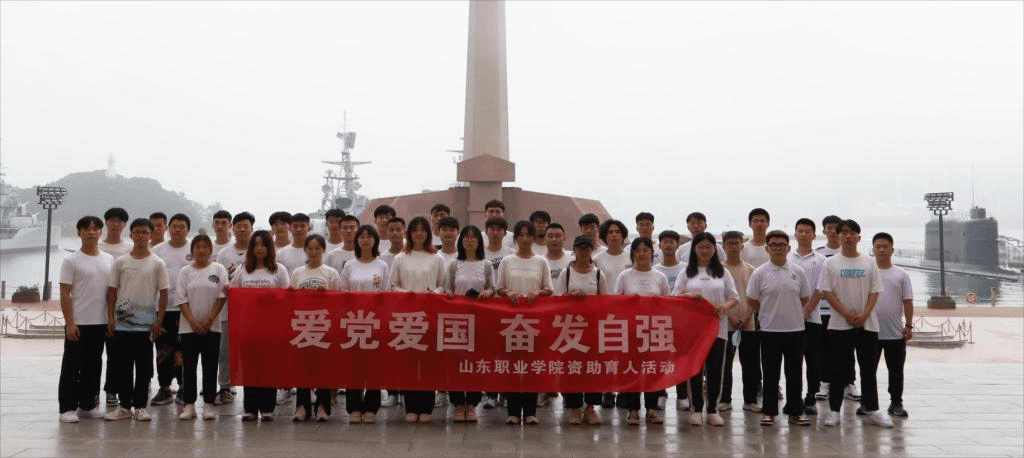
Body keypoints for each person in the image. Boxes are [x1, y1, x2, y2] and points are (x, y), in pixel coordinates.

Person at [820, 219, 892, 428]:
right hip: (839, 325)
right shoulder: (830, 263)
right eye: (844, 232)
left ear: (859, 237)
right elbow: (827, 292)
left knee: (868, 370)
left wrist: (864, 314)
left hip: (867, 325)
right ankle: (834, 411)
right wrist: (846, 313)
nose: (848, 236)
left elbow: (875, 291)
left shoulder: (869, 262)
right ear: (838, 236)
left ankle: (872, 409)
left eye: (852, 233)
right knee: (838, 370)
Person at [104, 218, 170, 422]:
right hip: (122, 324)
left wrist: (159, 321)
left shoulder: (157, 263)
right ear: (131, 234)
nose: (140, 235)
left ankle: (140, 406)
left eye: (145, 232)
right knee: (123, 367)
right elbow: (112, 291)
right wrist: (110, 317)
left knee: (144, 368)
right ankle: (124, 406)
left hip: (145, 325)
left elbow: (164, 294)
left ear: (151, 235)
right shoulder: (121, 262)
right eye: (137, 232)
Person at [672, 232, 737, 427]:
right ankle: (696, 409)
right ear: (694, 249)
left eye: (708, 247)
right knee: (694, 369)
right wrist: (689, 295)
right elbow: (675, 296)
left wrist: (725, 306)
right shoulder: (686, 272)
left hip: (718, 329)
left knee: (716, 370)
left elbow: (734, 297)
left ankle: (713, 410)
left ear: (715, 249)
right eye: (700, 247)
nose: (704, 250)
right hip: (693, 330)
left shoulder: (723, 272)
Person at [747, 230, 811, 427]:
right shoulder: (759, 273)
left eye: (781, 245)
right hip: (769, 330)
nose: (777, 248)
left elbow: (804, 297)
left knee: (795, 373)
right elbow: (752, 299)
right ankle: (769, 412)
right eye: (773, 245)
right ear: (767, 249)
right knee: (770, 374)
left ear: (788, 248)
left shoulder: (798, 271)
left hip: (795, 329)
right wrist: (768, 312)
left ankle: (795, 411)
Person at [389, 216, 447, 423]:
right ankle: (411, 407)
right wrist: (408, 294)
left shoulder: (437, 258)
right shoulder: (400, 258)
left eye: (423, 230)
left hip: (430, 315)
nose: (419, 233)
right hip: (407, 317)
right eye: (415, 230)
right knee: (409, 363)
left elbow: (443, 284)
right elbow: (393, 285)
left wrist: (434, 293)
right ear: (410, 233)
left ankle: (426, 407)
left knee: (429, 363)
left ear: (428, 234)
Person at [57, 216, 115, 422]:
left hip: (99, 322)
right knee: (72, 366)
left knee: (93, 366)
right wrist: (70, 323)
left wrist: (110, 318)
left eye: (96, 229)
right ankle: (67, 408)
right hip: (79, 322)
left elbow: (111, 293)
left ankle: (87, 405)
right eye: (87, 229)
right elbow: (64, 293)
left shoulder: (108, 259)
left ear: (100, 232)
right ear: (79, 232)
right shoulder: (71, 260)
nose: (92, 232)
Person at [495, 221, 553, 425]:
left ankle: (530, 411)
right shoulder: (507, 261)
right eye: (521, 235)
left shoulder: (541, 261)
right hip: (511, 322)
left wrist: (538, 292)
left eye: (529, 234)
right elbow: (499, 287)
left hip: (534, 322)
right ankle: (512, 411)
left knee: (531, 368)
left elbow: (549, 288)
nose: (525, 239)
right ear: (516, 238)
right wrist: (508, 292)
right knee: (512, 367)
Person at [229, 230, 290, 421]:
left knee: (268, 367)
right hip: (248, 327)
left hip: (271, 327)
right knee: (250, 367)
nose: (259, 248)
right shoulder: (243, 270)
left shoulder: (278, 270)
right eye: (255, 245)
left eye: (263, 244)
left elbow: (286, 297)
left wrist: (270, 298)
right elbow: (233, 294)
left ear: (269, 247)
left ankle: (267, 407)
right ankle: (249, 407)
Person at [613, 237, 670, 425]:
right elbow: (615, 301)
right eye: (637, 251)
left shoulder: (660, 276)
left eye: (645, 250)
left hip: (654, 330)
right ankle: (633, 409)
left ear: (652, 253)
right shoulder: (625, 276)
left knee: (652, 369)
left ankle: (652, 409)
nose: (642, 254)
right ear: (632, 254)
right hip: (630, 330)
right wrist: (630, 302)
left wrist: (657, 302)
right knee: (632, 369)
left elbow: (669, 302)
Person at [338, 225, 391, 424]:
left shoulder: (382, 265)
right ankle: (353, 407)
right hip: (353, 321)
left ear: (375, 240)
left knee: (373, 366)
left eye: (369, 237)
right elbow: (342, 293)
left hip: (375, 322)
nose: (366, 240)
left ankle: (371, 406)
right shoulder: (350, 265)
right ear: (357, 240)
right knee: (354, 367)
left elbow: (387, 294)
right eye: (362, 237)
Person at [554, 235, 607, 425]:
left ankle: (590, 408)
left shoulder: (598, 274)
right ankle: (574, 407)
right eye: (580, 248)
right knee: (571, 368)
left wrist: (589, 301)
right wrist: (571, 296)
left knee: (593, 369)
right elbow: (557, 300)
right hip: (570, 329)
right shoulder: (566, 273)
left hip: (592, 328)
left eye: (587, 248)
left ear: (592, 251)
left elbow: (606, 302)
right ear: (574, 250)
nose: (584, 252)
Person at [174, 234, 228, 421]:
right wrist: (193, 322)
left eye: (205, 247)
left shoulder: (219, 269)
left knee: (210, 366)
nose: (201, 250)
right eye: (197, 247)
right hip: (188, 328)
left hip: (212, 328)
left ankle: (209, 404)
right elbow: (181, 298)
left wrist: (209, 320)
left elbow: (222, 296)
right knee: (188, 367)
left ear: (211, 250)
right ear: (192, 251)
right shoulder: (185, 271)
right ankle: (189, 404)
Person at [290, 234, 343, 422]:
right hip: (303, 325)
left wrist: (326, 294)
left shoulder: (331, 273)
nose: (313, 252)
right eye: (310, 249)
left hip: (324, 325)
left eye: (317, 248)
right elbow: (291, 299)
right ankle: (302, 406)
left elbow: (339, 300)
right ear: (305, 251)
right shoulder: (297, 273)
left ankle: (322, 406)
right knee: (302, 367)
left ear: (323, 250)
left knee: (323, 367)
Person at [444, 224, 493, 422]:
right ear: (461, 240)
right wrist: (449, 293)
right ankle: (458, 403)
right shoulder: (454, 265)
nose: (470, 240)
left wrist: (488, 292)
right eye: (466, 237)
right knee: (455, 362)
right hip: (457, 319)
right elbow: (447, 288)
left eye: (474, 237)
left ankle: (472, 404)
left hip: (480, 319)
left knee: (475, 363)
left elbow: (493, 288)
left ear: (479, 241)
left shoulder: (486, 265)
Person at [814, 215, 859, 402]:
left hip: (846, 312)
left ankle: (850, 383)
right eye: (829, 228)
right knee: (824, 349)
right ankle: (824, 383)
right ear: (824, 231)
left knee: (847, 350)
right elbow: (818, 282)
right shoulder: (818, 254)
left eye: (835, 228)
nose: (832, 231)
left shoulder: (849, 254)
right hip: (824, 310)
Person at [150, 213, 191, 406]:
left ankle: (184, 387)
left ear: (188, 230)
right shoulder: (158, 250)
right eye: (174, 226)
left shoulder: (194, 248)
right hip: (163, 309)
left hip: (187, 309)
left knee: (184, 350)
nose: (178, 230)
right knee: (163, 351)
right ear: (168, 228)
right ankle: (164, 388)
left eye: (182, 227)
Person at [871, 232, 914, 418]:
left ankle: (896, 403)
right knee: (868, 371)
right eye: (878, 246)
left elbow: (908, 301)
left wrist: (909, 326)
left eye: (885, 246)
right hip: (870, 331)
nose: (881, 249)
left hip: (895, 333)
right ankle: (867, 403)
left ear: (892, 249)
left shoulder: (901, 275)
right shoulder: (867, 273)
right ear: (873, 249)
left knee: (896, 371)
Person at [213, 211, 253, 405]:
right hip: (228, 310)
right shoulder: (224, 253)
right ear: (233, 228)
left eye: (246, 226)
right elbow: (217, 281)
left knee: (254, 351)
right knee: (225, 351)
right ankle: (225, 387)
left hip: (254, 312)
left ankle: (256, 386)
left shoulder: (258, 250)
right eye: (239, 226)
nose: (242, 229)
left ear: (252, 228)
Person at [719, 231, 760, 414]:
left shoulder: (751, 270)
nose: (733, 246)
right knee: (725, 364)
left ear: (742, 246)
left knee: (750, 364)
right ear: (724, 246)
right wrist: (730, 316)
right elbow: (718, 296)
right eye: (730, 243)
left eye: (736, 243)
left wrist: (747, 316)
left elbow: (755, 297)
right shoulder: (718, 270)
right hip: (725, 324)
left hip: (748, 323)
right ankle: (724, 399)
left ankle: (750, 400)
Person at [789, 218, 827, 415]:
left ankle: (811, 396)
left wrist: (805, 312)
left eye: (807, 231)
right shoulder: (788, 258)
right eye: (800, 231)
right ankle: (793, 398)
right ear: (795, 234)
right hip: (789, 320)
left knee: (813, 360)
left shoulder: (821, 260)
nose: (803, 234)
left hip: (812, 319)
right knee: (792, 361)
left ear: (814, 235)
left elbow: (820, 290)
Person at [99, 207, 130, 406]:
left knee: (116, 355)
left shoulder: (130, 248)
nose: (115, 224)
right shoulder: (97, 246)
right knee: (92, 355)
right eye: (112, 220)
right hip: (95, 308)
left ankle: (112, 390)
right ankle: (90, 392)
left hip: (121, 309)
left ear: (124, 225)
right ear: (106, 222)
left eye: (120, 221)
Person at [593, 219, 631, 290]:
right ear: (605, 236)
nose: (614, 235)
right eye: (610, 232)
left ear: (623, 235)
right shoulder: (597, 259)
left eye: (617, 232)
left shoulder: (631, 257)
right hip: (606, 296)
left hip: (626, 296)